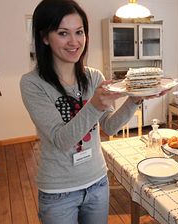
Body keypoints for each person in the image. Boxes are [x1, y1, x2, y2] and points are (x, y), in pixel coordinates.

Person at [20, 0, 168, 223]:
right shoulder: (33, 84)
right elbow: (61, 140)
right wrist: (95, 105)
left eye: (79, 32)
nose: (74, 42)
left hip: (97, 182)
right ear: (44, 37)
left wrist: (134, 100)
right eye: (63, 33)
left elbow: (108, 127)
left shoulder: (93, 77)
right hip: (58, 192)